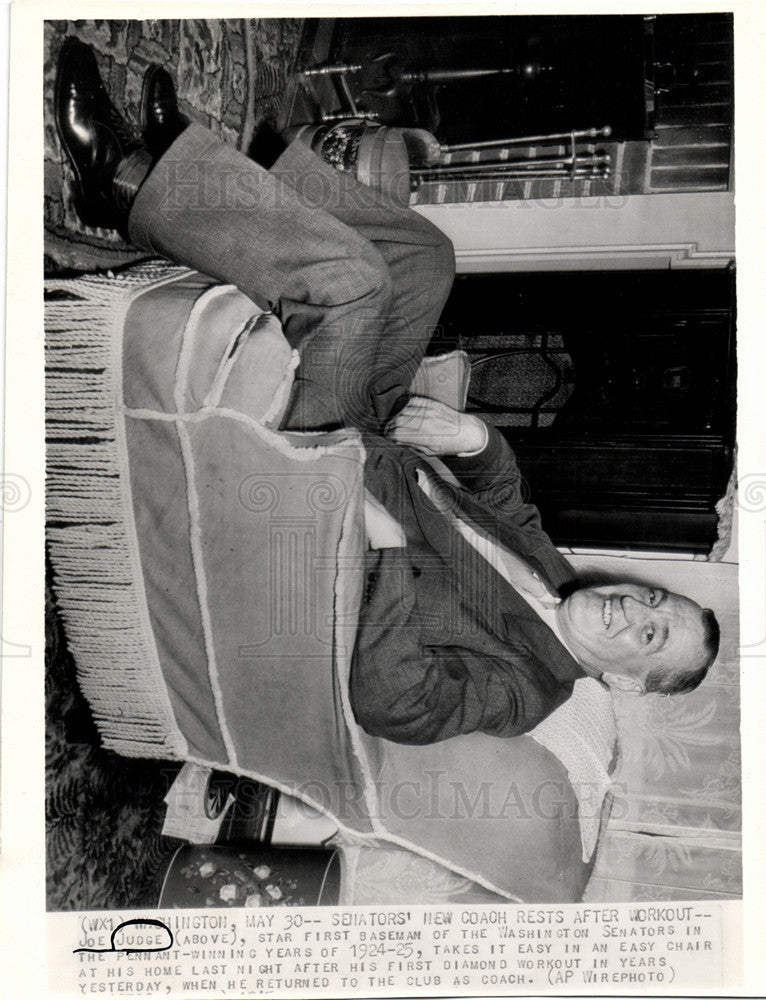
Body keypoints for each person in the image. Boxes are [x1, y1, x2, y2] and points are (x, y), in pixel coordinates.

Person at [54, 38, 721, 747]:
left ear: (624, 681)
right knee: (426, 261)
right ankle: (188, 175)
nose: (631, 608)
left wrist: (388, 546)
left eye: (650, 634)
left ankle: (121, 180)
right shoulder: (558, 579)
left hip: (325, 505)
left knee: (352, 287)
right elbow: (506, 499)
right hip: (372, 442)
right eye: (654, 599)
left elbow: (398, 706)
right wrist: (474, 439)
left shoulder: (527, 689)